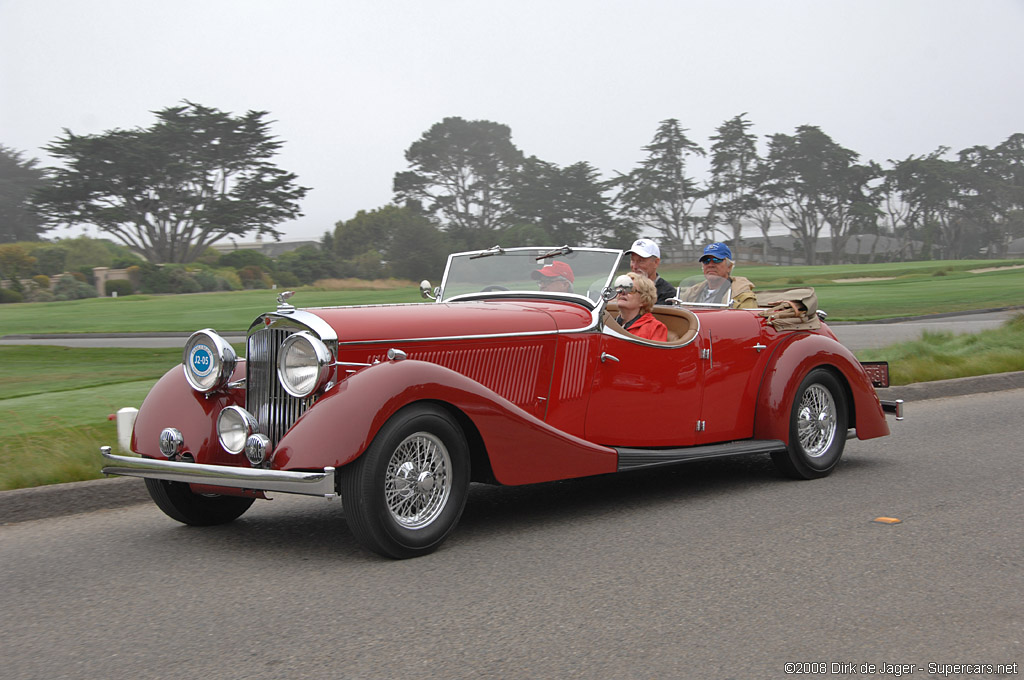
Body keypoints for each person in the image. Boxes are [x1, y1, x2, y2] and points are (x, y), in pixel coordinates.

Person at [679, 242, 757, 309]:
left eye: (717, 260)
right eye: (706, 261)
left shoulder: (742, 296)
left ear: (729, 267)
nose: (710, 265)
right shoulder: (691, 294)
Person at [612, 272, 668, 341]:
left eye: (630, 290)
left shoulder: (655, 328)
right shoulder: (608, 324)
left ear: (644, 299)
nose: (622, 293)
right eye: (621, 289)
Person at [625, 238, 675, 305]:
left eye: (641, 261)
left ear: (656, 262)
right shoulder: (624, 288)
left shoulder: (667, 293)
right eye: (633, 260)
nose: (635, 266)